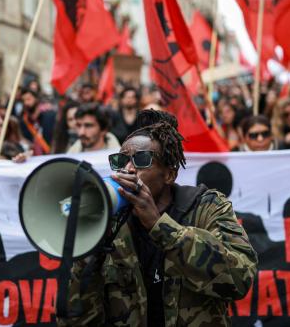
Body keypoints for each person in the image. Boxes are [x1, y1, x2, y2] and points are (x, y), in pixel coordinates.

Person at [58, 121, 257, 326]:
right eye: (121, 160)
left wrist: (159, 225)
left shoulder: (206, 207)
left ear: (170, 174)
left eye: (141, 160)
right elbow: (74, 320)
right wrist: (90, 253)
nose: (128, 169)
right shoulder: (111, 222)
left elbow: (239, 279)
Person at [18, 88, 56, 155]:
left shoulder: (50, 116)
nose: (26, 103)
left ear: (36, 99)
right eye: (23, 100)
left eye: (28, 99)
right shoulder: (23, 121)